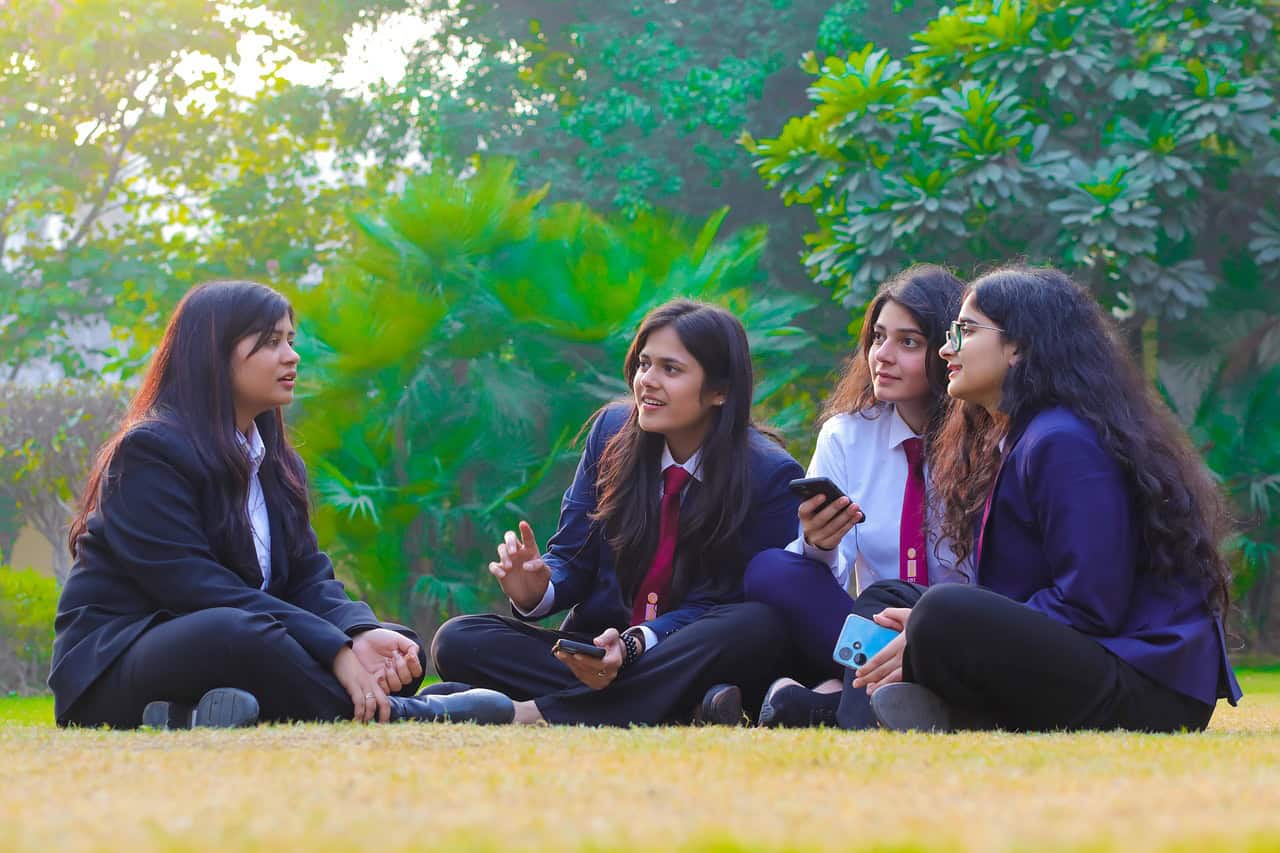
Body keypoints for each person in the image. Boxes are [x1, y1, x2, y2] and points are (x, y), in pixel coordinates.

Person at [50, 281, 511, 728]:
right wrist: (333, 650)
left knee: (397, 645)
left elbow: (307, 574)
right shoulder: (150, 451)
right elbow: (194, 587)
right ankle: (411, 713)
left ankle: (202, 712)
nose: (292, 356)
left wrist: (357, 633)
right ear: (214, 355)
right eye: (270, 342)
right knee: (239, 634)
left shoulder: (274, 461)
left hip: (233, 645)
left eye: (290, 340)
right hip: (115, 662)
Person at [861, 266, 1242, 732]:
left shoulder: (1063, 441)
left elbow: (1089, 606)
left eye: (965, 330)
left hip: (1144, 683)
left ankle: (947, 710)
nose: (946, 348)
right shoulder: (1022, 436)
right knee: (888, 597)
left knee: (942, 612)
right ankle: (882, 712)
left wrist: (937, 632)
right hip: (1085, 658)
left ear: (1018, 347)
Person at [430, 299, 804, 726]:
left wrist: (634, 645)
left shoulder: (769, 475)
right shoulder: (611, 433)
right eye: (644, 364)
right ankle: (684, 704)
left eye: (671, 369)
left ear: (720, 391)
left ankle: (532, 713)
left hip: (686, 648)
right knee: (458, 640)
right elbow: (572, 558)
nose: (648, 381)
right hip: (593, 650)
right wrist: (536, 588)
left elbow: (726, 601)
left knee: (758, 622)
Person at [742, 265, 970, 728]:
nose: (882, 355)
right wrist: (819, 544)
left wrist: (940, 630)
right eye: (878, 337)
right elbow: (829, 573)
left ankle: (831, 701)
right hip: (870, 626)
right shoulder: (845, 436)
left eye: (908, 342)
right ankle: (894, 690)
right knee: (771, 569)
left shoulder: (986, 441)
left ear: (948, 350)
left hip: (960, 631)